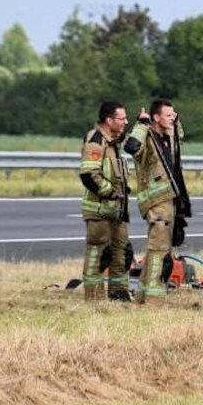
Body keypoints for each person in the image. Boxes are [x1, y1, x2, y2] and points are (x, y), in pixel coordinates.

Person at [123, 99, 191, 302]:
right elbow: (132, 147)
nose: (173, 117)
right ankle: (154, 300)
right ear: (155, 117)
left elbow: (179, 134)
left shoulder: (167, 138)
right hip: (156, 202)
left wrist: (174, 119)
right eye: (168, 115)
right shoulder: (146, 139)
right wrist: (142, 124)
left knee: (157, 251)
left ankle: (142, 296)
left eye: (174, 114)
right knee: (159, 251)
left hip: (169, 201)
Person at [78, 101, 131, 301]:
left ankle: (118, 295)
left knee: (120, 254)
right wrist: (110, 192)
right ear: (109, 120)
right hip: (100, 211)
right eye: (122, 118)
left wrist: (143, 125)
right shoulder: (96, 139)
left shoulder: (113, 140)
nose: (126, 122)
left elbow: (131, 142)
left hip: (116, 211)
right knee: (97, 255)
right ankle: (94, 299)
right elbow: (88, 174)